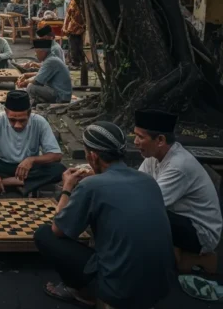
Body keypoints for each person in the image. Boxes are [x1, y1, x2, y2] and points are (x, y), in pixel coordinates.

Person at [34, 121, 174, 309]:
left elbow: (59, 230)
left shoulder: (91, 186)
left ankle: (83, 292)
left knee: (44, 235)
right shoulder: (148, 181)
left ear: (92, 155)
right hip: (160, 288)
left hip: (117, 291)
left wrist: (67, 187)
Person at [135, 109, 222, 255]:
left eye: (140, 137)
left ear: (160, 140)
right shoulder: (152, 157)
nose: (135, 142)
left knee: (143, 215)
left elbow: (148, 203)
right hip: (177, 218)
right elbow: (135, 185)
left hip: (200, 232)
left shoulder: (178, 165)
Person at [0, 91, 66, 196]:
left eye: (22, 121)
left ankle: (0, 184)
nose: (17, 125)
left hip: (28, 169)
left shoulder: (39, 122)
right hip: (1, 164)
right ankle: (21, 185)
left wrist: (32, 160)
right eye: (12, 120)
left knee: (59, 169)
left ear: (29, 113)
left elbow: (57, 155)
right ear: (6, 112)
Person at [17, 39, 73, 106]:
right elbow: (41, 74)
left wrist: (25, 82)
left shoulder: (51, 61)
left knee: (31, 87)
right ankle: (38, 101)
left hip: (61, 96)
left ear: (42, 52)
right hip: (60, 93)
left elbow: (37, 81)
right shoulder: (51, 59)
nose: (35, 55)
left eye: (36, 52)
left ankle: (30, 105)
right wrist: (26, 75)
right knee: (31, 85)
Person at [62, 0, 85, 67]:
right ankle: (74, 61)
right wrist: (64, 27)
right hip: (72, 29)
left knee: (80, 46)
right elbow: (67, 16)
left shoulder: (83, 3)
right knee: (73, 46)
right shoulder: (72, 3)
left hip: (82, 28)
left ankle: (81, 61)